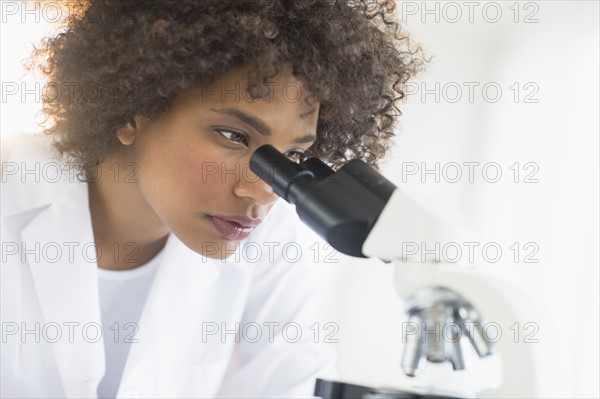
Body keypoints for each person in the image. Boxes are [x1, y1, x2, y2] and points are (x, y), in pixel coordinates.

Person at [1, 0, 423, 397]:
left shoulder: (262, 236)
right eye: (234, 136)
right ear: (132, 108)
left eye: (292, 155)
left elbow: (291, 377)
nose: (261, 191)